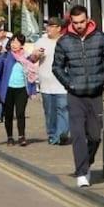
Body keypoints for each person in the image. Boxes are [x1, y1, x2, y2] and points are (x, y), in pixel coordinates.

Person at [53, 5, 104, 188]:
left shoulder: (100, 38)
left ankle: (86, 161)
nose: (79, 25)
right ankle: (82, 172)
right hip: (75, 94)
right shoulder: (64, 41)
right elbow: (57, 67)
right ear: (71, 22)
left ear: (88, 19)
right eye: (75, 23)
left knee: (96, 136)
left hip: (95, 93)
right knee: (78, 134)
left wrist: (101, 80)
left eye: (82, 22)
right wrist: (69, 83)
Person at [0, 35, 38, 146]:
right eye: (12, 42)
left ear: (22, 44)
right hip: (7, 89)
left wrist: (32, 89)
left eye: (16, 42)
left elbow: (32, 71)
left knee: (20, 113)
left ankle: (22, 137)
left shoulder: (26, 57)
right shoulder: (5, 56)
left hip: (22, 89)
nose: (13, 44)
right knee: (8, 114)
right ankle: (10, 137)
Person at [34, 17, 69, 145]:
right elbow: (32, 59)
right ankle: (52, 134)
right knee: (50, 112)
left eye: (51, 26)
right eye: (48, 25)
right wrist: (36, 55)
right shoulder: (41, 41)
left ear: (59, 28)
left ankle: (61, 135)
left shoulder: (66, 41)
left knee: (63, 109)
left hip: (62, 84)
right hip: (46, 84)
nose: (48, 28)